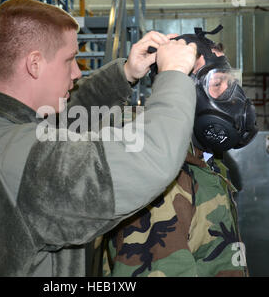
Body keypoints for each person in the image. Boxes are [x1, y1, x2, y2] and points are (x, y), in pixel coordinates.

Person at [0, 0, 198, 277]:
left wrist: (125, 73)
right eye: (70, 60)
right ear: (35, 64)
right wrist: (173, 76)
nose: (77, 72)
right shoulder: (30, 162)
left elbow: (54, 123)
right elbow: (150, 157)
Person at [102, 27, 258, 277]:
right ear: (183, 88)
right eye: (217, 83)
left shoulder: (206, 157)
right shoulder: (157, 173)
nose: (232, 98)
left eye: (231, 82)